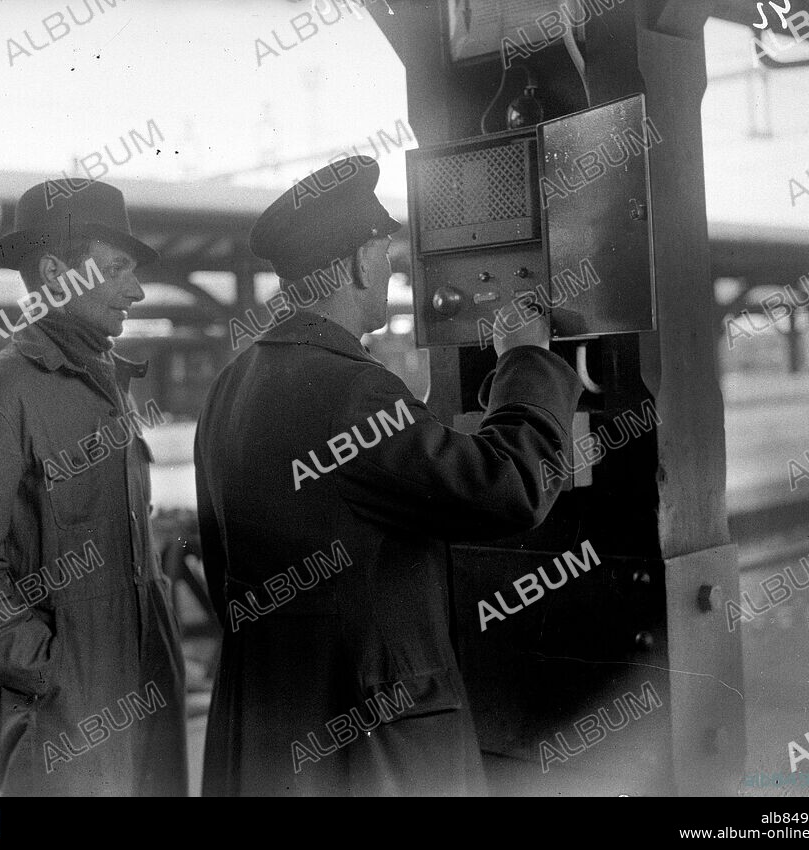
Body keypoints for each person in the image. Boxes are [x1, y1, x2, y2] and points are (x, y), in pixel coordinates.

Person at [195, 155, 583, 796]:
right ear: (354, 262)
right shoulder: (351, 391)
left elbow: (228, 569)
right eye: (384, 252)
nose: (392, 267)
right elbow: (509, 487)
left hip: (271, 733)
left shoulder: (232, 387)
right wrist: (525, 360)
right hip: (367, 743)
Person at [0, 180, 188, 796]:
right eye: (118, 268)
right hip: (64, 742)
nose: (138, 290)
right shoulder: (1, 395)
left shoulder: (107, 386)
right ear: (54, 272)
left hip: (145, 723)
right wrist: (55, 673)